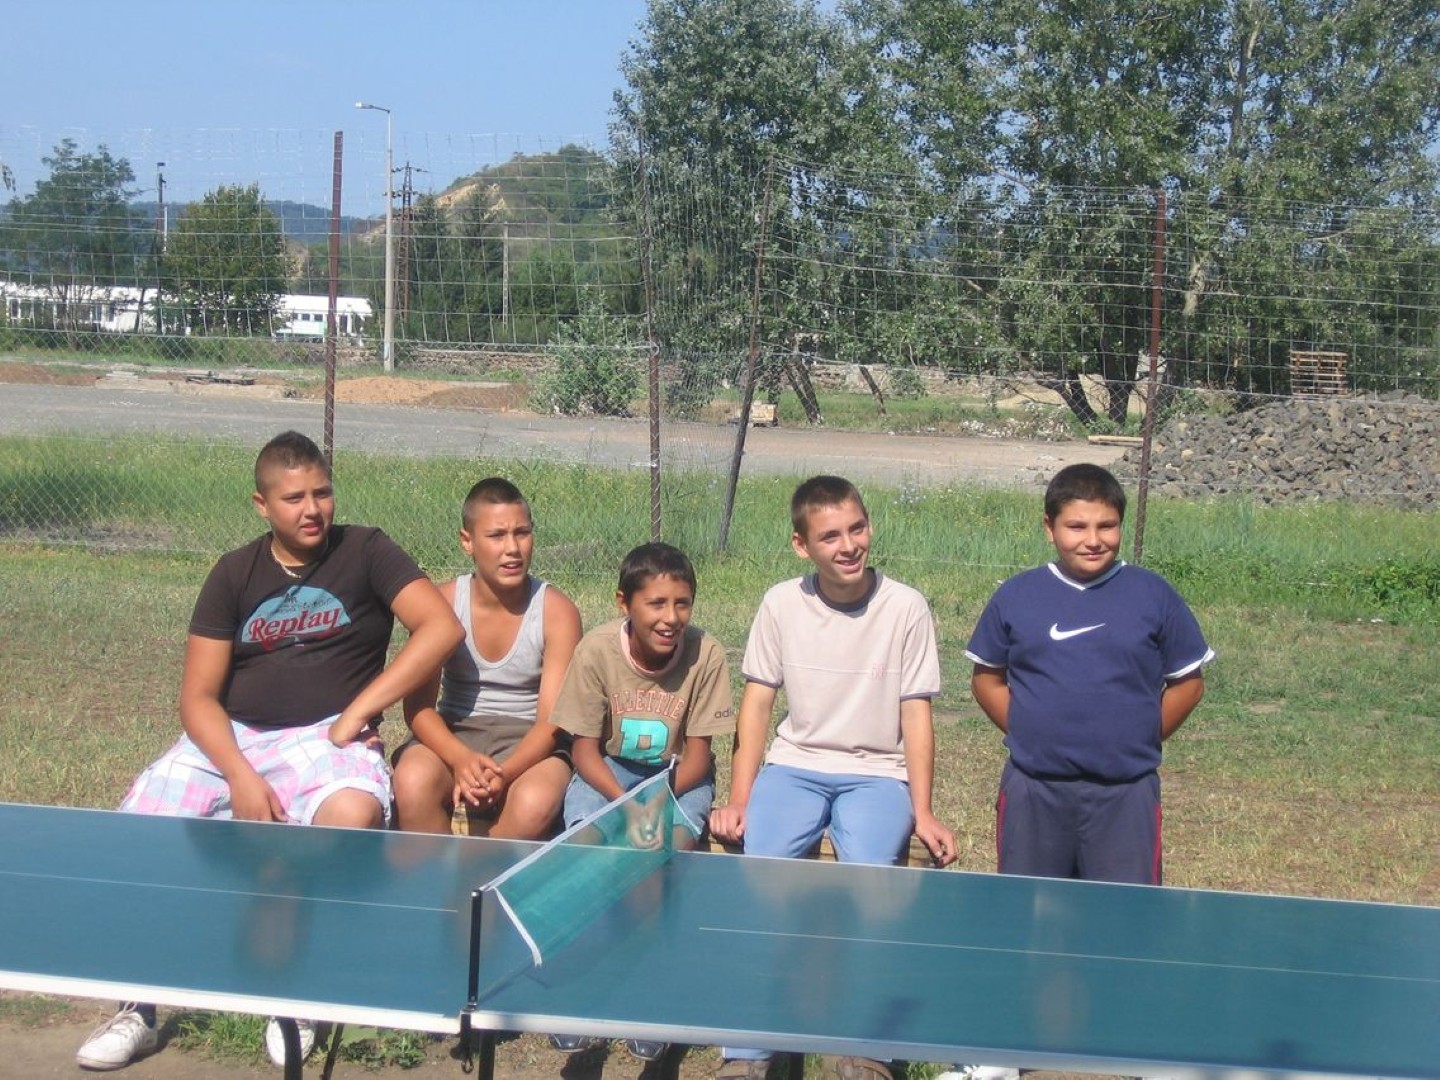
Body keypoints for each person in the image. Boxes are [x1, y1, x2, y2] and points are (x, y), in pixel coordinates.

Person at [75, 430, 463, 1073]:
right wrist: (239, 774)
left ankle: (294, 994)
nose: (312, 509)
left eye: (322, 493)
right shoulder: (233, 572)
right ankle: (137, 1007)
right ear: (262, 504)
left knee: (350, 817)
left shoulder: (367, 550)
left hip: (326, 736)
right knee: (138, 835)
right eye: (294, 498)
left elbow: (441, 627)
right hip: (236, 737)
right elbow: (198, 697)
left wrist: (359, 712)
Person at [933, 463, 1214, 1080]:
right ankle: (1006, 1048)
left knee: (1127, 924)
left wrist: (1138, 737)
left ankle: (1130, 1044)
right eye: (1077, 526)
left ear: (1122, 527)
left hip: (1125, 795)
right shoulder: (1018, 596)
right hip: (1035, 791)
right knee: (1026, 921)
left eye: (1106, 526)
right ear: (1049, 527)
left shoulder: (1153, 595)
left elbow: (1188, 681)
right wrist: (1029, 732)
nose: (1093, 539)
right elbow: (987, 677)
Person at [708, 475, 957, 1080]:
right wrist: (740, 798)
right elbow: (757, 705)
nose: (848, 546)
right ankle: (750, 1050)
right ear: (802, 546)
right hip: (795, 767)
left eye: (857, 528)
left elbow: (916, 716)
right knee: (761, 880)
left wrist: (923, 810)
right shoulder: (780, 603)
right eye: (830, 536)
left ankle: (865, 1046)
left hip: (877, 774)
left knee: (872, 885)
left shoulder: (906, 607)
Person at [547, 541, 735, 1064]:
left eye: (682, 603)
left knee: (656, 857)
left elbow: (699, 756)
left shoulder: (706, 654)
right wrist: (624, 805)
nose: (671, 617)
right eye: (656, 603)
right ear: (624, 603)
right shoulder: (596, 650)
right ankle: (583, 990)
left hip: (678, 779)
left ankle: (648, 992)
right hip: (607, 773)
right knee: (586, 850)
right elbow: (584, 750)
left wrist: (656, 803)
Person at [392, 477, 582, 838]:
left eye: (522, 533)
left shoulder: (557, 612)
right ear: (468, 541)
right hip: (455, 731)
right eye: (496, 536)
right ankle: (433, 873)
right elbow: (418, 708)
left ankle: (486, 872)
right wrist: (459, 759)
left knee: (535, 801)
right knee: (413, 780)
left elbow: (551, 723)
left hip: (528, 741)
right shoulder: (444, 603)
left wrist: (505, 773)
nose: (512, 548)